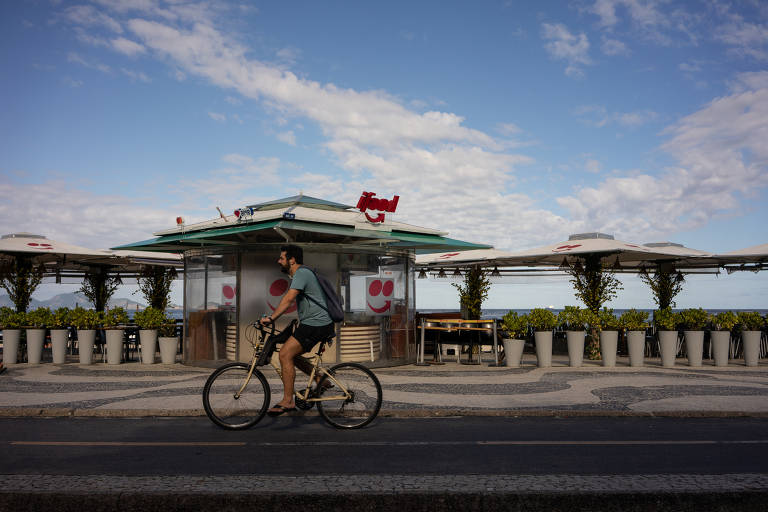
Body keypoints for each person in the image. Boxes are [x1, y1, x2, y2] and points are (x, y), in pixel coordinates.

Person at [260, 245, 335, 415]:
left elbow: (289, 299)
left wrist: (271, 318)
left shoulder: (301, 273)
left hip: (317, 324)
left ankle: (287, 401)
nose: (279, 260)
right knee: (292, 354)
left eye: (282, 257)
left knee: (285, 354)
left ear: (292, 260)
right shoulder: (302, 274)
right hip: (316, 323)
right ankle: (319, 379)